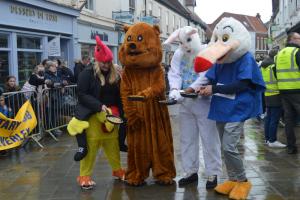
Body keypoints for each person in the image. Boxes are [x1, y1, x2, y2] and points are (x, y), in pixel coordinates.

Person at [164, 26, 222, 188]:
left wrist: (188, 90)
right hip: (185, 102)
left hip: (204, 102)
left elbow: (206, 76)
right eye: (182, 43)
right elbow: (174, 73)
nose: (186, 46)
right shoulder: (178, 54)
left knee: (209, 138)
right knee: (187, 138)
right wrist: (175, 89)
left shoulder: (205, 52)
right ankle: (190, 172)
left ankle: (213, 173)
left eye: (188, 42)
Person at [67, 35, 125, 189]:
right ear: (98, 60)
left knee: (112, 145)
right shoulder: (87, 73)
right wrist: (99, 106)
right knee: (91, 147)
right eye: (103, 62)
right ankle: (84, 176)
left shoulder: (115, 75)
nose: (106, 65)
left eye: (108, 62)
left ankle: (117, 170)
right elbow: (82, 94)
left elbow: (119, 96)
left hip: (111, 117)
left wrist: (122, 113)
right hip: (92, 116)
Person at [275, 32, 300, 154]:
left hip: (284, 91)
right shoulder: (297, 52)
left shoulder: (279, 54)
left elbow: (275, 72)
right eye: (299, 38)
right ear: (292, 39)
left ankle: (291, 147)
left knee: (289, 120)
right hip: (297, 90)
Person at [260, 49, 286, 148]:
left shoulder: (264, 66)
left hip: (267, 94)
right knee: (274, 119)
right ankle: (272, 140)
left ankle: (267, 139)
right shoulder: (274, 66)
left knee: (269, 118)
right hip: (276, 94)